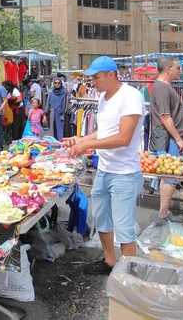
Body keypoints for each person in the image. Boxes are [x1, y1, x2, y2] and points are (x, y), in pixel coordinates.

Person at [65, 56, 145, 275]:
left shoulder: (131, 96)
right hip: (105, 169)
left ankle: (130, 274)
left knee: (124, 228)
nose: (93, 82)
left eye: (96, 77)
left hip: (125, 174)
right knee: (101, 219)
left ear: (111, 75)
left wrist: (88, 144)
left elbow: (123, 138)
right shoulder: (103, 98)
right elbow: (105, 131)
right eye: (91, 78)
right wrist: (81, 139)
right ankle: (110, 262)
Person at [149, 58, 183, 222]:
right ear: (168, 69)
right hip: (170, 139)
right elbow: (164, 116)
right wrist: (179, 139)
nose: (180, 70)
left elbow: (168, 113)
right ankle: (163, 215)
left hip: (172, 138)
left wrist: (181, 111)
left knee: (169, 176)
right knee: (171, 177)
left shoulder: (164, 87)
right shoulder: (161, 88)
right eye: (177, 68)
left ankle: (164, 213)